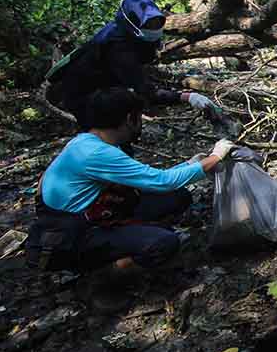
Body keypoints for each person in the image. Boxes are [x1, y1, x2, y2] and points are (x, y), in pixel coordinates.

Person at [25, 88, 236, 275]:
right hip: (73, 236)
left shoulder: (87, 142)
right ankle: (102, 276)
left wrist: (191, 164)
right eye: (140, 116)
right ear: (129, 119)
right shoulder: (96, 153)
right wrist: (215, 158)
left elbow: (150, 179)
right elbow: (162, 181)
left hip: (88, 215)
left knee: (177, 197)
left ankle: (131, 238)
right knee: (164, 243)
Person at [45, 0, 218, 129]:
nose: (155, 29)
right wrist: (188, 97)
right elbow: (143, 88)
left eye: (157, 22)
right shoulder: (117, 47)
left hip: (106, 83)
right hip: (83, 92)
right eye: (149, 24)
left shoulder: (131, 34)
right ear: (133, 23)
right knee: (110, 129)